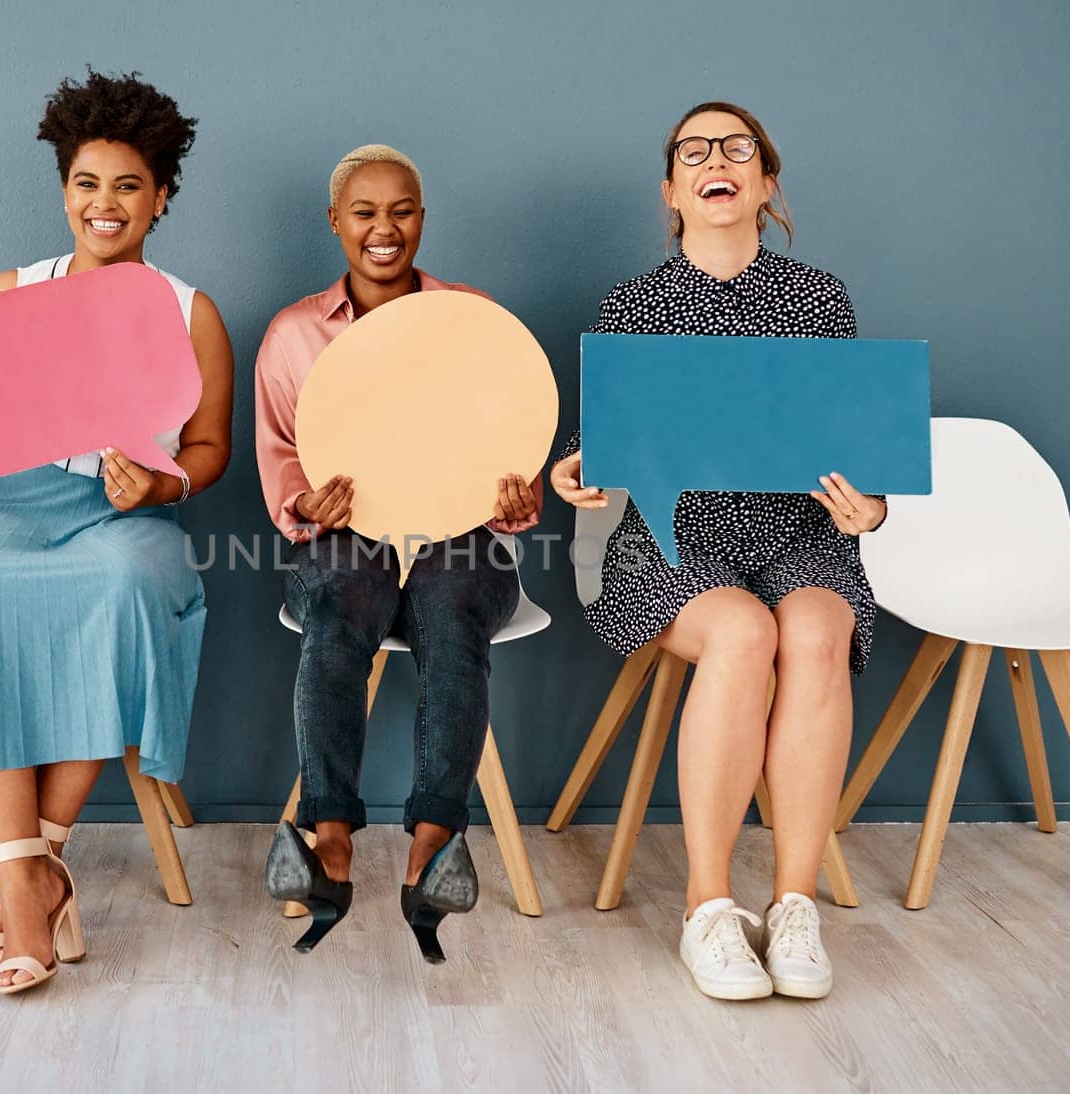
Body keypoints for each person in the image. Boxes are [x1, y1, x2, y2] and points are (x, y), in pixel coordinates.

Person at [0, 70, 233, 995]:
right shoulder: (13, 289)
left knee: (125, 589)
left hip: (124, 515)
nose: (105, 204)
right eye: (88, 184)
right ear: (64, 191)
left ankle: (34, 874)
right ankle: (28, 881)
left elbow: (209, 452)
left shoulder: (190, 311)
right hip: (4, 501)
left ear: (161, 197)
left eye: (128, 185)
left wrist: (162, 482)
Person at [551, 102, 887, 1001]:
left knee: (813, 634)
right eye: (693, 150)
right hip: (669, 545)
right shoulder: (632, 305)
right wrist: (578, 475)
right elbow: (603, 450)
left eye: (737, 149)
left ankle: (792, 906)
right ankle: (708, 910)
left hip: (797, 536)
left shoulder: (819, 299)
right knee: (743, 635)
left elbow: (855, 442)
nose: (716, 160)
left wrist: (872, 506)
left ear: (764, 181)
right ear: (672, 189)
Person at [254, 144, 545, 963]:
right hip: (350, 537)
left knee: (453, 607)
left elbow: (515, 440)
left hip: (461, 537)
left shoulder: (472, 316)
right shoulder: (294, 335)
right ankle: (334, 840)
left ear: (423, 215)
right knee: (342, 599)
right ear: (335, 222)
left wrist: (515, 502)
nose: (385, 229)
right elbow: (280, 457)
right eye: (365, 212)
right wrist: (307, 505)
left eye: (403, 210)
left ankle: (431, 849)